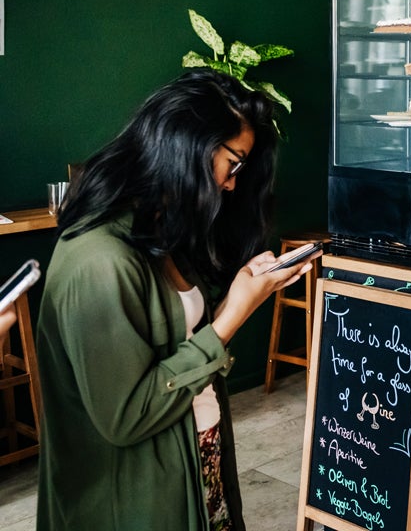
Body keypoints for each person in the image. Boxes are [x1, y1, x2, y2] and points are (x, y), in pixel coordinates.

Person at [36, 70, 313, 531]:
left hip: (194, 465)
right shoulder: (99, 260)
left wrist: (235, 296)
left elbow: (177, 345)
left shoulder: (160, 234)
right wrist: (232, 317)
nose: (231, 184)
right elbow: (127, 417)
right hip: (139, 501)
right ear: (190, 146)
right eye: (234, 163)